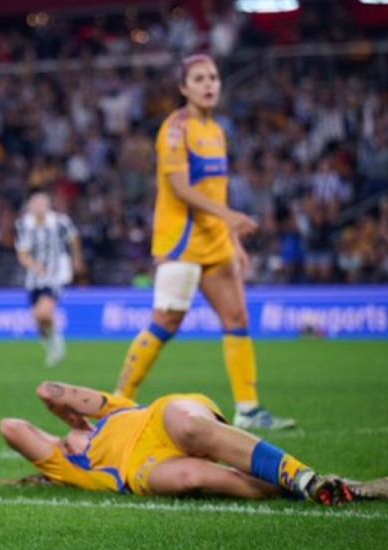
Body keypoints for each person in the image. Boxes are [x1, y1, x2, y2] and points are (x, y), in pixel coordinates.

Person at [114, 54, 294, 430]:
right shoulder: (175, 129)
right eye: (199, 78)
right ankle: (118, 403)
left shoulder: (216, 130)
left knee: (237, 317)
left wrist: (232, 238)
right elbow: (179, 187)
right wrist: (230, 218)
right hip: (180, 240)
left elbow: (217, 190)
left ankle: (248, 409)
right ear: (183, 87)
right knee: (166, 321)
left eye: (213, 77)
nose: (209, 84)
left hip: (216, 240)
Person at [0, 381, 388, 504]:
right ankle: (325, 487)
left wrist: (65, 412)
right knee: (190, 478)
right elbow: (11, 427)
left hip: (161, 421)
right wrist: (65, 437)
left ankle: (303, 476)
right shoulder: (69, 466)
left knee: (191, 427)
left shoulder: (114, 412)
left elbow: (47, 389)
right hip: (140, 470)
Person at [15, 192, 84, 367]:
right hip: (34, 278)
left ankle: (57, 343)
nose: (39, 207)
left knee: (43, 312)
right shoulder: (24, 224)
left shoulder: (61, 222)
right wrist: (34, 265)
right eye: (35, 204)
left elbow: (74, 238)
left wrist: (76, 259)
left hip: (56, 274)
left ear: (48, 206)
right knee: (39, 320)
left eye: (42, 204)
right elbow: (22, 253)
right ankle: (51, 346)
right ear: (30, 206)